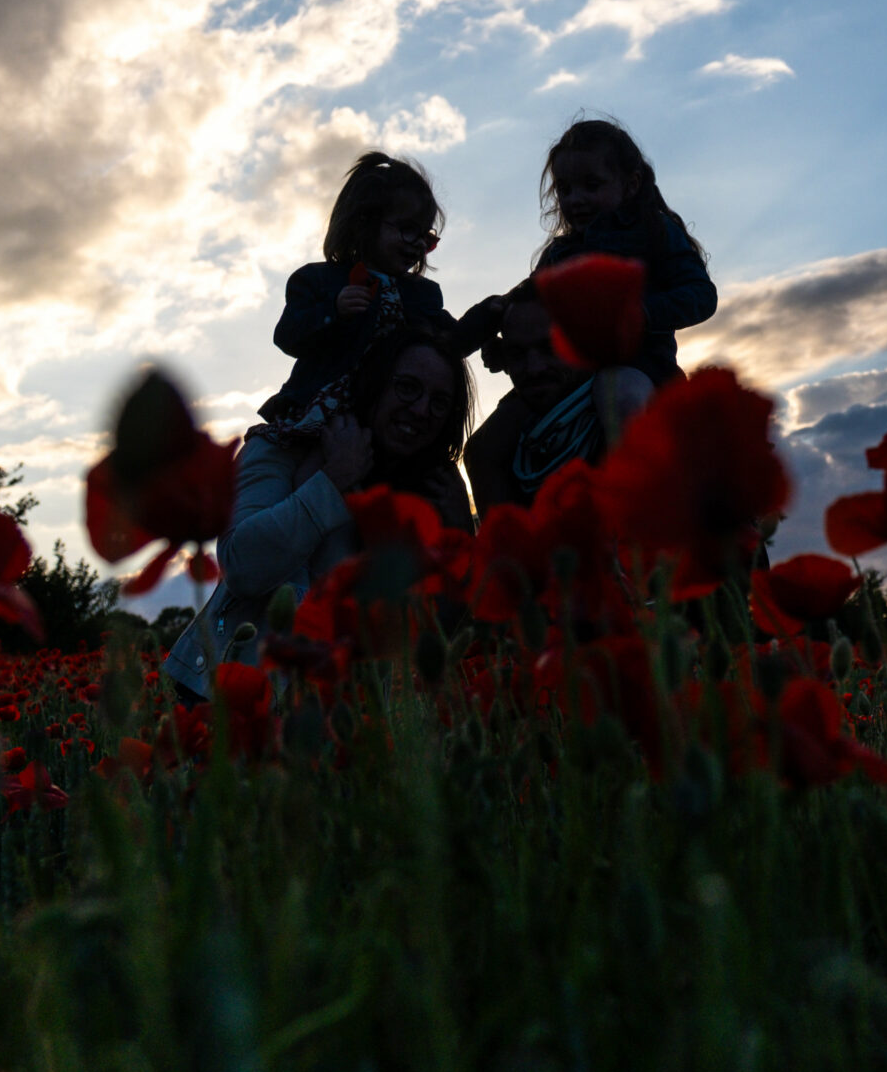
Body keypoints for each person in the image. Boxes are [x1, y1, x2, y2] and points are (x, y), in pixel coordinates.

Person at [163, 328, 472, 695]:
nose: (422, 410)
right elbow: (243, 567)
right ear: (373, 384)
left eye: (440, 402)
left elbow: (433, 636)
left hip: (338, 729)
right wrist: (333, 480)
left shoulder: (428, 497)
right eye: (407, 387)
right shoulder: (281, 447)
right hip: (222, 704)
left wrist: (462, 537)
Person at [461, 118, 716, 385]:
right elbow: (534, 313)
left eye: (591, 186)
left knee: (624, 392)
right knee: (504, 424)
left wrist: (641, 314)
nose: (574, 199)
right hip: (566, 381)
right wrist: (510, 345)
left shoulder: (655, 233)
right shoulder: (559, 254)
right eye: (565, 189)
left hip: (642, 371)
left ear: (631, 184)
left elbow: (701, 294)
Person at [261, 152, 456, 430]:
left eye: (426, 236)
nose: (418, 244)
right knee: (259, 468)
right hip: (312, 412)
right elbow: (287, 336)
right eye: (408, 229)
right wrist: (334, 311)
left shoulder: (422, 294)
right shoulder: (318, 279)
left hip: (383, 421)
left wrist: (492, 317)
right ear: (364, 223)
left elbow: (451, 341)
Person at [463, 281, 652, 515]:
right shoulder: (489, 449)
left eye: (550, 348)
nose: (534, 368)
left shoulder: (635, 409)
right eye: (517, 354)